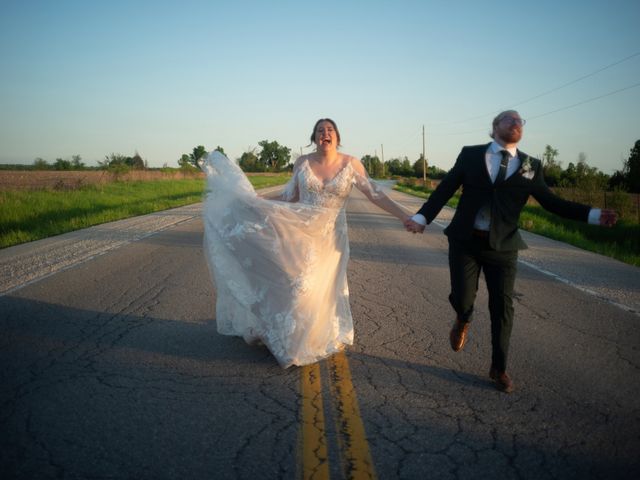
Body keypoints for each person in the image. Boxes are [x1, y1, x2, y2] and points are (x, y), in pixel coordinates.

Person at [405, 110, 617, 393]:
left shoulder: (530, 165)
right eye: (509, 119)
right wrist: (422, 218)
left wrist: (592, 215)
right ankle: (463, 317)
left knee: (502, 307)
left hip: (503, 247)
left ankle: (499, 367)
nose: (516, 123)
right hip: (465, 242)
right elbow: (444, 189)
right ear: (494, 128)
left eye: (520, 121)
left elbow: (552, 203)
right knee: (463, 298)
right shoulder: (470, 155)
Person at [200, 118, 412, 368]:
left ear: (337, 137)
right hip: (299, 231)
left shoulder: (351, 164)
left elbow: (375, 194)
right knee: (297, 286)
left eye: (330, 129)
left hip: (331, 236)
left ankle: (310, 337)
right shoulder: (302, 163)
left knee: (318, 290)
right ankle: (289, 339)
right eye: (320, 130)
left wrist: (406, 216)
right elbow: (291, 196)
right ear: (314, 138)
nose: (325, 133)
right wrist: (257, 201)